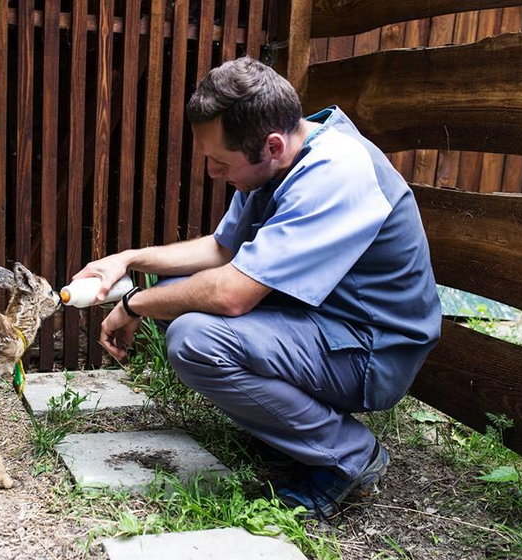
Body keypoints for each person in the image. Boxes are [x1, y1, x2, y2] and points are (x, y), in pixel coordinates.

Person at [72, 57, 441, 518]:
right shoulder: (278, 162)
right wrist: (128, 259)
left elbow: (231, 293)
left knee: (196, 338)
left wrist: (134, 303)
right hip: (324, 326)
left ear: (270, 144)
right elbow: (224, 250)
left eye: (219, 161)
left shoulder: (336, 172)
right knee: (181, 288)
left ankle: (350, 456)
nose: (211, 172)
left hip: (373, 351)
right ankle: (298, 439)